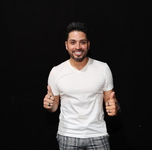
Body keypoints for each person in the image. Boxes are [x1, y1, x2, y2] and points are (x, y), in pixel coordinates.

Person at [43, 22, 121, 150]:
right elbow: (54, 106)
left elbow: (110, 100)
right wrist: (49, 105)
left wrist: (115, 107)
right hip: (68, 135)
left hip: (98, 134)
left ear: (88, 45)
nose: (78, 47)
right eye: (73, 42)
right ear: (66, 45)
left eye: (82, 42)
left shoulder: (103, 68)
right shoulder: (56, 71)